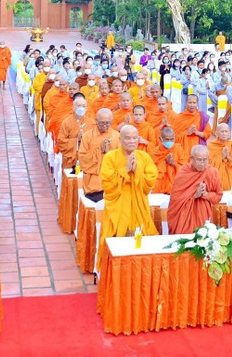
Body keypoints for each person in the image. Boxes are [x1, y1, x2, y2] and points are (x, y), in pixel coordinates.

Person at [98, 125, 159, 256]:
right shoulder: (110, 157)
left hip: (139, 206)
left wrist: (137, 170)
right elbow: (107, 183)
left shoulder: (144, 157)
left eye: (134, 138)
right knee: (116, 243)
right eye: (127, 138)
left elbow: (151, 180)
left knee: (141, 243)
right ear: (120, 139)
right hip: (118, 207)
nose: (131, 141)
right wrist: (125, 170)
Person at [167, 144, 222, 234]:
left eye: (205, 160)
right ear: (191, 159)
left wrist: (205, 194)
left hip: (202, 212)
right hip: (184, 215)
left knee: (202, 239)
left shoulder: (212, 172)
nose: (202, 163)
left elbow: (218, 196)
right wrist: (194, 195)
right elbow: (175, 199)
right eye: (199, 160)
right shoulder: (183, 172)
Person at [77, 108, 120, 202]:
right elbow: (82, 159)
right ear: (96, 121)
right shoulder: (87, 136)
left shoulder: (117, 136)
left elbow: (121, 160)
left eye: (107, 123)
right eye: (102, 123)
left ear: (111, 121)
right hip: (94, 181)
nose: (105, 126)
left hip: (112, 181)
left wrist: (108, 153)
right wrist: (99, 151)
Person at [206, 122, 232, 191]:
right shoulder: (211, 146)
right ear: (216, 133)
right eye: (222, 131)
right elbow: (208, 165)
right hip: (215, 177)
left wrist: (228, 158)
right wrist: (221, 157)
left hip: (230, 178)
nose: (224, 134)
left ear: (229, 133)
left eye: (226, 131)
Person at [150, 126, 183, 194]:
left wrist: (174, 163)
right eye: (167, 139)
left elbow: (185, 170)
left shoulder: (178, 149)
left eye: (172, 139)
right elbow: (151, 171)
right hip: (158, 186)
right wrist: (165, 162)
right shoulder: (154, 153)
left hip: (173, 186)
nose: (169, 141)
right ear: (160, 139)